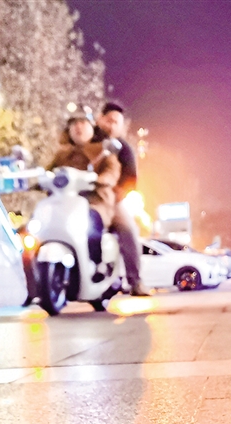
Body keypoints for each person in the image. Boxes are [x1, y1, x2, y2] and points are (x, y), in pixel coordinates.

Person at [94, 102, 150, 296]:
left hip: (112, 201)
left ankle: (135, 281)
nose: (111, 125)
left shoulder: (124, 149)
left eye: (116, 122)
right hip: (83, 198)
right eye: (108, 120)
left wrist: (115, 196)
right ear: (99, 119)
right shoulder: (86, 141)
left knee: (129, 229)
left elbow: (131, 180)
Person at [48, 110, 120, 231]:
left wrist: (98, 179)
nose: (78, 127)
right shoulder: (62, 154)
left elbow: (112, 172)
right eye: (74, 123)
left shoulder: (104, 152)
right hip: (63, 202)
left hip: (95, 202)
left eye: (83, 122)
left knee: (93, 224)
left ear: (92, 127)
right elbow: (49, 171)